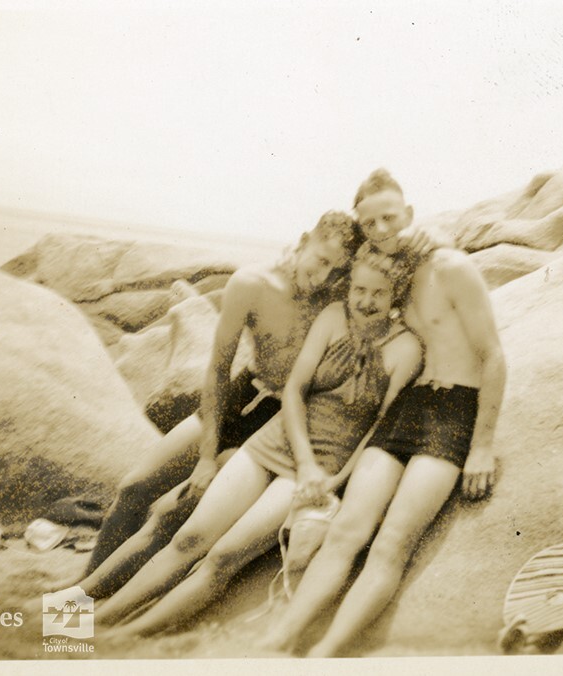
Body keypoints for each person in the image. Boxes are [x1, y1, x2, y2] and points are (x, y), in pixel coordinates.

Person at [94, 243, 424, 635]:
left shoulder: (406, 350)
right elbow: (295, 390)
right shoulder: (335, 317)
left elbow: (378, 431)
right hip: (277, 442)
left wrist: (331, 481)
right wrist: (303, 460)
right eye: (359, 290)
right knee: (188, 538)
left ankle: (121, 637)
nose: (366, 301)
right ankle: (89, 619)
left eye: (378, 293)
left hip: (319, 470)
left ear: (396, 295)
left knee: (224, 556)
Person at [258, 168, 507, 657]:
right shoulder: (398, 271)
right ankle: (277, 641)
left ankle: (323, 655)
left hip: (455, 409)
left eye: (389, 218)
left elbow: (494, 355)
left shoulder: (452, 267)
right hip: (411, 405)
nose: (379, 230)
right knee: (348, 530)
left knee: (392, 541)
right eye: (368, 223)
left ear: (409, 214)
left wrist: (481, 445)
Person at [80, 210, 362, 582]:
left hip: (280, 417)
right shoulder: (252, 284)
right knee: (134, 487)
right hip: (243, 394)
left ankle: (95, 596)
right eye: (322, 261)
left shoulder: (339, 297)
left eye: (338, 270)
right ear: (304, 240)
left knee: (174, 512)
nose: (325, 277)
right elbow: (218, 368)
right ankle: (80, 586)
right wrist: (206, 457)